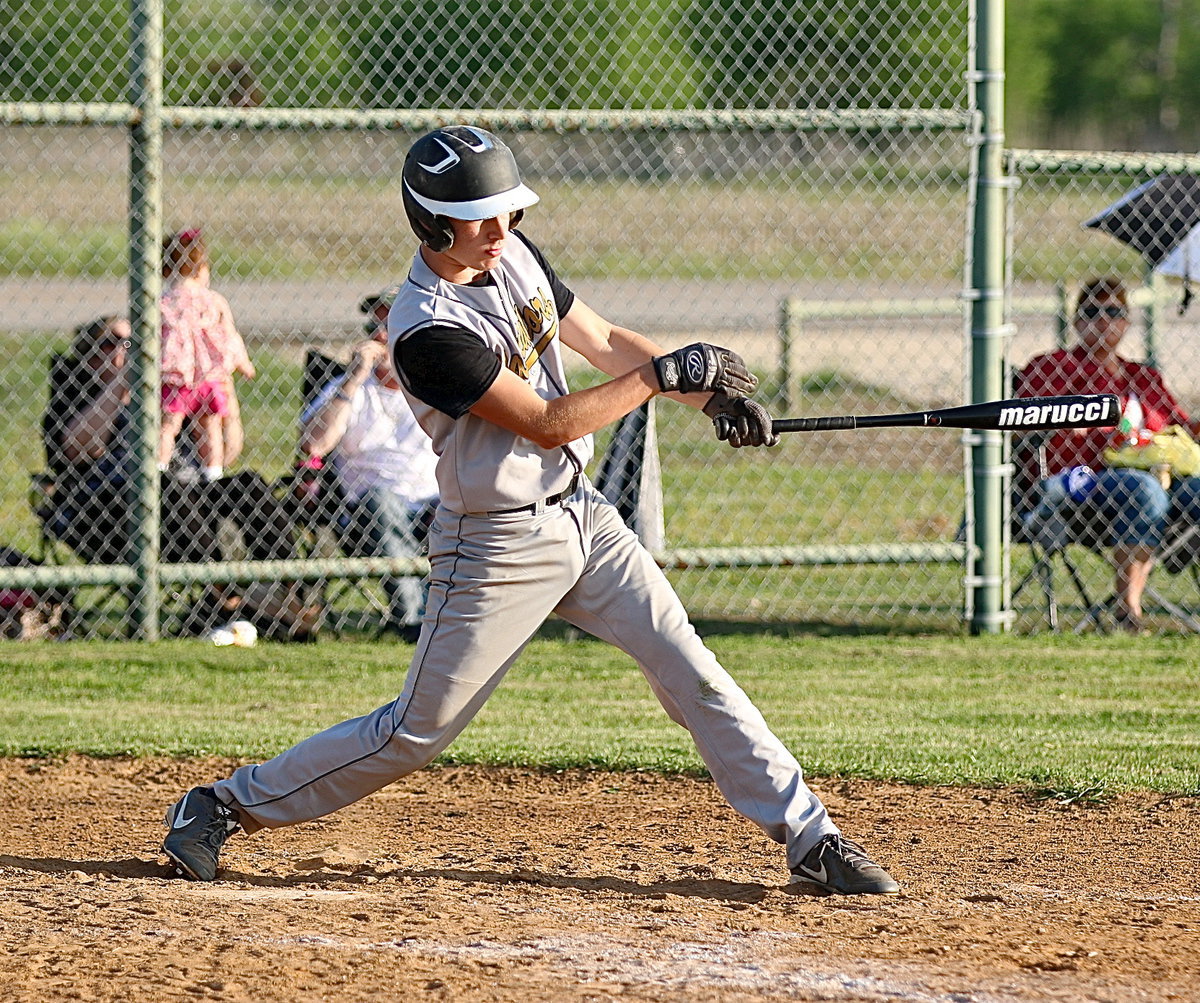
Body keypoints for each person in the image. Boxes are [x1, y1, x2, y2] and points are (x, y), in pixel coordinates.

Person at [161, 125, 899, 896]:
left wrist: (710, 397)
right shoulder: (425, 329)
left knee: (693, 672)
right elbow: (549, 420)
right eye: (479, 216)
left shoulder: (514, 252)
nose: (498, 230)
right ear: (430, 221)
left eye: (505, 211)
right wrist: (658, 377)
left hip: (583, 516)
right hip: (495, 544)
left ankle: (811, 834)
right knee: (415, 731)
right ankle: (219, 805)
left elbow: (608, 340)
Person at [41, 316, 312, 637]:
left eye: (136, 342)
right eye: (112, 343)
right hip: (111, 509)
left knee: (248, 484)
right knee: (163, 481)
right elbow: (76, 448)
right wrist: (123, 383)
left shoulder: (169, 389)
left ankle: (292, 587)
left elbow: (225, 454)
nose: (129, 350)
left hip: (191, 500)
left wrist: (224, 392)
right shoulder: (77, 393)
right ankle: (227, 588)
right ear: (88, 355)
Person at [1015, 276, 1200, 632]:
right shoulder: (1052, 367)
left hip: (1156, 476)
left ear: (1128, 321)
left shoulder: (1142, 377)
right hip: (1077, 480)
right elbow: (1025, 424)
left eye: (1114, 311)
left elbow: (1180, 427)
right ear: (1076, 321)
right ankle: (1128, 611)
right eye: (1091, 312)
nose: (1103, 320)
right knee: (1142, 491)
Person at [297, 287, 439, 640]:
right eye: (375, 327)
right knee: (381, 501)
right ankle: (414, 623)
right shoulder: (348, 389)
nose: (379, 336)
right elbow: (312, 445)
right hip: (366, 517)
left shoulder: (437, 385)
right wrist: (355, 377)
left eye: (391, 326)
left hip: (436, 508)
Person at [159, 228, 256, 481]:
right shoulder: (213, 301)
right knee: (209, 427)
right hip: (208, 376)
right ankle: (213, 471)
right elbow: (230, 335)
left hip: (176, 376)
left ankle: (159, 466)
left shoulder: (164, 301)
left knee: (168, 425)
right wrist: (243, 363)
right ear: (201, 267)